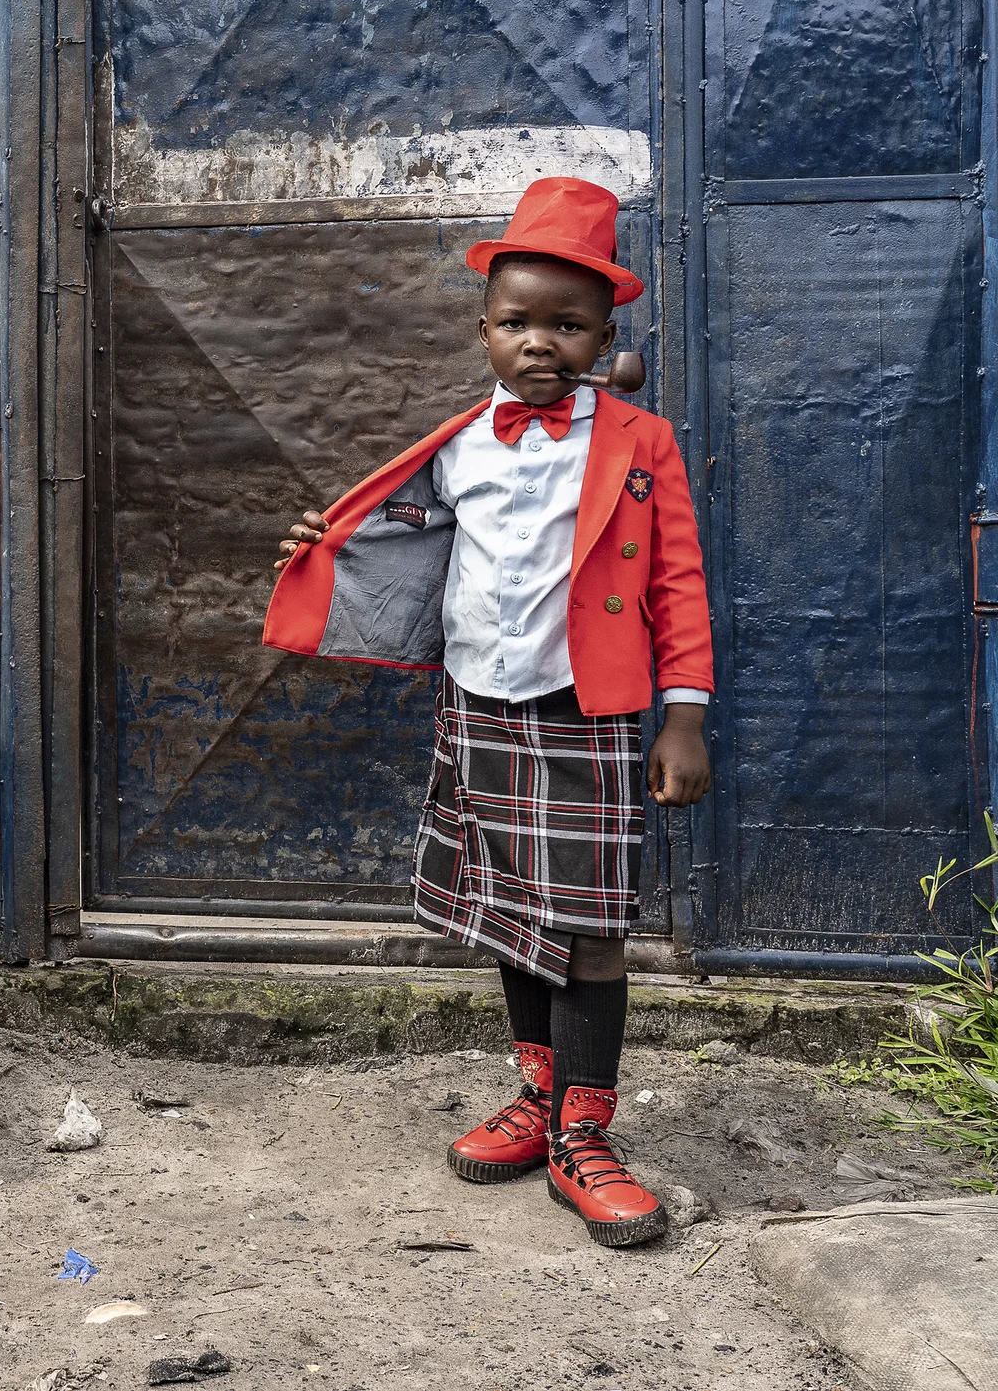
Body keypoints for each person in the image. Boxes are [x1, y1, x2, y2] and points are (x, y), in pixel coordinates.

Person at [265, 176, 713, 1247]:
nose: (539, 343)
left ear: (606, 333)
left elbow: (677, 585)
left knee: (590, 931)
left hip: (585, 715)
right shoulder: (461, 442)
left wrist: (682, 716)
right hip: (478, 710)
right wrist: (320, 554)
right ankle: (536, 1097)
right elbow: (399, 543)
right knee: (508, 918)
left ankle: (583, 1132)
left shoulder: (639, 443)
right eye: (516, 322)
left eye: (566, 324)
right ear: (483, 331)